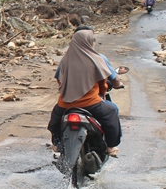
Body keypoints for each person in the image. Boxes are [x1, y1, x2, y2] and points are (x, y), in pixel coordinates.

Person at [47, 28, 122, 156]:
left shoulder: (65, 60)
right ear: (89, 42)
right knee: (111, 113)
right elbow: (104, 81)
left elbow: (60, 81)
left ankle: (56, 144)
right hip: (91, 104)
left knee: (55, 121)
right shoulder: (97, 59)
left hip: (65, 104)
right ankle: (110, 147)